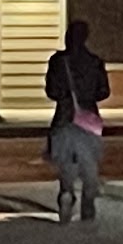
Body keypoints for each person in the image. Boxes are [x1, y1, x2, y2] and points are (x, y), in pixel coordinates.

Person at [45, 19, 110, 223]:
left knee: (66, 162)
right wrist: (87, 96)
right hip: (88, 119)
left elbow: (51, 91)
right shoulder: (95, 62)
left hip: (64, 118)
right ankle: (88, 203)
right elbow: (104, 91)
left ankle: (66, 193)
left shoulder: (57, 61)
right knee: (89, 163)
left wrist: (66, 96)